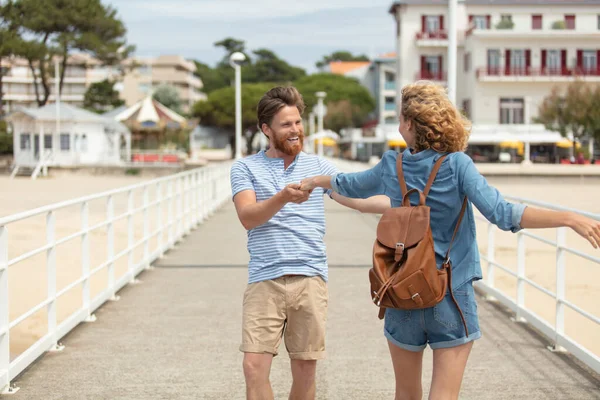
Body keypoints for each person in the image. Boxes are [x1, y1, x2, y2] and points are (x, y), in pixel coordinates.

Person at [299, 81, 600, 400]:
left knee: (406, 394)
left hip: (402, 293)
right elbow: (503, 213)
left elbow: (350, 185)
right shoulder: (457, 165)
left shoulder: (392, 165)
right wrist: (569, 218)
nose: (398, 124)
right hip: (451, 295)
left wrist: (316, 182)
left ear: (411, 123)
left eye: (400, 118)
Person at [230, 86, 385, 400]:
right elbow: (248, 216)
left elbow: (358, 200)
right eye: (286, 124)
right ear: (266, 129)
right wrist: (283, 197)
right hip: (264, 279)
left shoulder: (320, 168)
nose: (295, 130)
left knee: (305, 371)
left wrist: (414, 205)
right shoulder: (244, 168)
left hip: (311, 278)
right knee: (253, 367)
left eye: (298, 122)